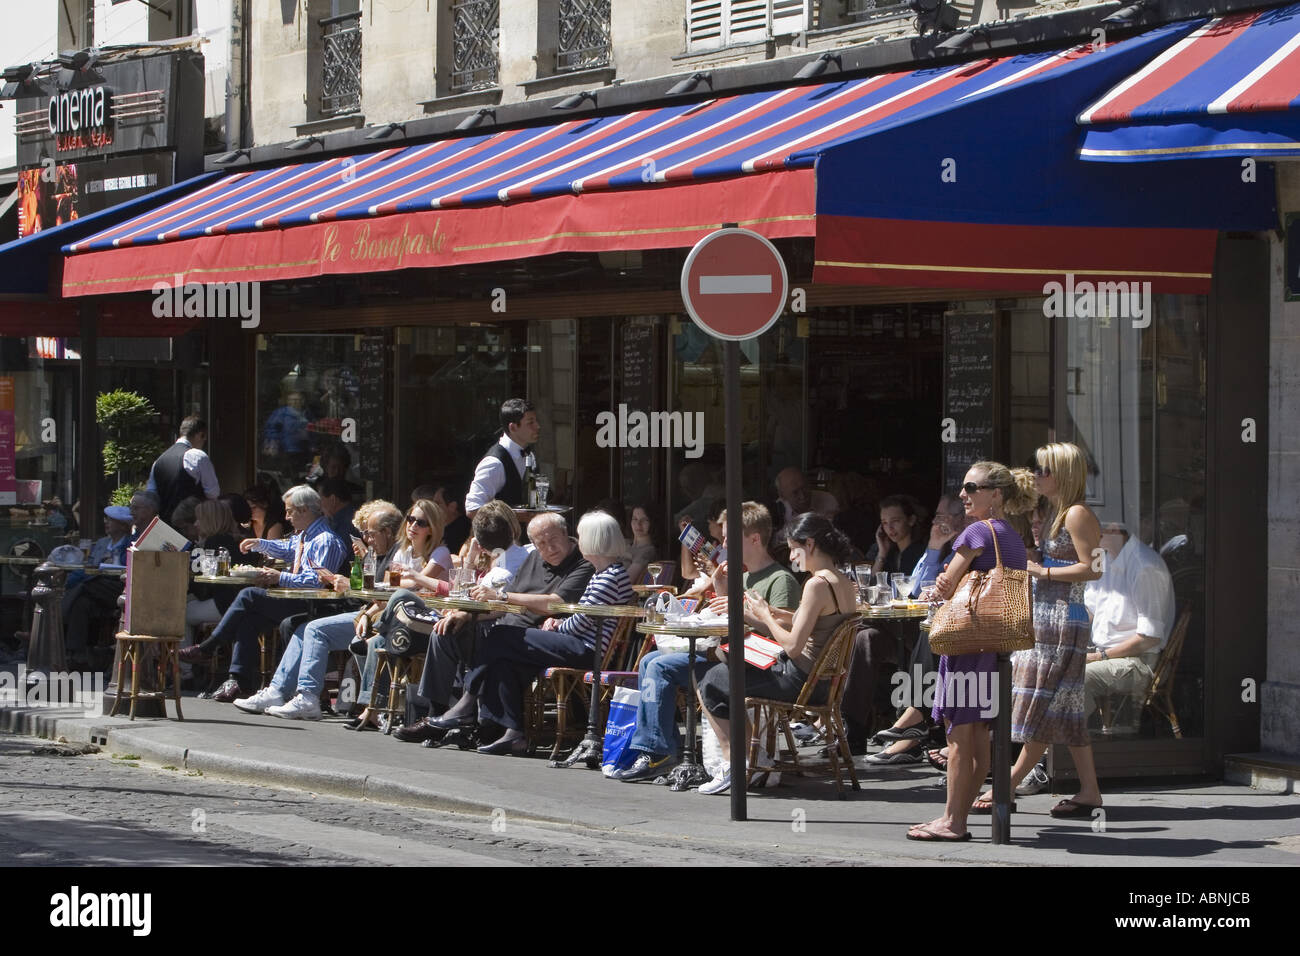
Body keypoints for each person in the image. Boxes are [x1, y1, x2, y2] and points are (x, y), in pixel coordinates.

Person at [613, 502, 799, 783]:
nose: (722, 543)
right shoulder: (742, 574)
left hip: (752, 663)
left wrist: (743, 612)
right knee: (650, 660)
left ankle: (658, 753)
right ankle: (664, 749)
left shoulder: (780, 580)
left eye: (728, 537)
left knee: (659, 667)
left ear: (754, 539)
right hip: (723, 651)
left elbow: (781, 633)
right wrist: (719, 585)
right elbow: (727, 617)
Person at [425, 511, 631, 755]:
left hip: (586, 649)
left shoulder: (610, 577)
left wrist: (557, 625)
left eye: (582, 536)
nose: (580, 541)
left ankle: (466, 703)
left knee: (500, 635)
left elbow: (582, 622)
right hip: (577, 642)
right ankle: (512, 733)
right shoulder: (604, 574)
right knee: (504, 662)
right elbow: (584, 616)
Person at [906, 460, 1036, 842]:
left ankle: (952, 821)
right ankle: (956, 818)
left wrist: (930, 592)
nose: (963, 493)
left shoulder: (978, 530)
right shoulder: (1009, 533)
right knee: (977, 738)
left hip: (967, 643)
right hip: (991, 646)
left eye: (971, 487)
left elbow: (946, 584)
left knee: (960, 739)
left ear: (996, 494)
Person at [973, 442, 1104, 818]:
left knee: (1041, 702)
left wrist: (1042, 570)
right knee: (1063, 705)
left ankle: (1007, 785)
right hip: (1049, 615)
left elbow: (1093, 569)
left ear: (1063, 474)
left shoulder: (1077, 514)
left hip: (1062, 618)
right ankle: (1089, 791)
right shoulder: (1055, 513)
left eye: (1045, 470)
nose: (1038, 476)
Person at [392, 511, 594, 743]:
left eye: (553, 539)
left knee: (497, 639)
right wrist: (467, 615)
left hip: (540, 637)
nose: (549, 548)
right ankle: (436, 715)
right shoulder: (533, 559)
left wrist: (502, 596)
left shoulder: (582, 563)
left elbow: (552, 603)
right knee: (445, 630)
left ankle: (463, 710)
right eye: (541, 543)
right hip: (506, 629)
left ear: (566, 533)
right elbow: (505, 604)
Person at [694, 513, 857, 795]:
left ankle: (735, 763)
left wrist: (766, 618)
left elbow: (793, 647)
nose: (792, 556)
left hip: (799, 681)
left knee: (710, 678)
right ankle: (750, 761)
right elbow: (808, 622)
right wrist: (765, 613)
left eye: (794, 548)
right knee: (729, 666)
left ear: (810, 544)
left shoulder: (816, 584)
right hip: (823, 683)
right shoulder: (841, 581)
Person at [349, 501, 517, 729]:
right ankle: (371, 709)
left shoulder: (441, 552)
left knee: (401, 598)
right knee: (376, 642)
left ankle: (433, 710)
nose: (412, 526)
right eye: (410, 519)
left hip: (435, 614)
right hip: (422, 616)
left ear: (432, 527)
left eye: (421, 522)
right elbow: (390, 583)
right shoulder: (404, 550)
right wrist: (369, 612)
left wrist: (416, 579)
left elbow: (439, 589)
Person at [233, 501, 403, 720]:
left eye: (370, 534)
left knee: (314, 629)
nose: (367, 539)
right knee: (303, 628)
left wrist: (351, 588)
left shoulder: (397, 555)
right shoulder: (378, 553)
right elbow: (373, 592)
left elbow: (386, 594)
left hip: (381, 619)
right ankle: (278, 691)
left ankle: (308, 697)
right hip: (368, 614)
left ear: (387, 532)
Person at [179, 485, 348, 701]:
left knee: (250, 595)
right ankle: (239, 681)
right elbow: (287, 549)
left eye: (290, 511)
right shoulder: (305, 535)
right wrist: (259, 544)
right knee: (249, 619)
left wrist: (280, 578)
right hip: (297, 598)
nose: (286, 517)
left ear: (304, 510)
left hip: (315, 603)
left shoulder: (324, 539)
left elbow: (317, 582)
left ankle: (209, 647)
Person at [848, 492, 966, 759]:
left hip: (942, 628)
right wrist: (934, 547)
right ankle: (852, 729)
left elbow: (913, 591)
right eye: (935, 516)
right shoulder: (925, 547)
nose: (936, 522)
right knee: (863, 637)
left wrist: (934, 549)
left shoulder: (965, 543)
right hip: (912, 626)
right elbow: (914, 586)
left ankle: (912, 725)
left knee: (927, 631)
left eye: (941, 516)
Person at [1082, 521, 1175, 730]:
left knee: (1077, 679)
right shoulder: (1102, 557)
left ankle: (1073, 747)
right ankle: (1053, 747)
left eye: (1091, 529)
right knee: (1049, 666)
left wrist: (1099, 657)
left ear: (1114, 530)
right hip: (1104, 654)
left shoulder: (1144, 566)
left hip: (1139, 662)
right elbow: (1089, 610)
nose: (1084, 534)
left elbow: (1149, 638)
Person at [62, 492, 159, 659]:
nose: (132, 512)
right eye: (131, 508)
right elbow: (89, 567)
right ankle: (76, 654)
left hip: (123, 587)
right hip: (104, 587)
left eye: (135, 508)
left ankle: (56, 621)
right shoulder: (108, 542)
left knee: (83, 587)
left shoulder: (146, 535)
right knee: (81, 602)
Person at [464, 398, 540, 516]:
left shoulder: (529, 455)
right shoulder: (494, 463)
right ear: (513, 428)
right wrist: (518, 517)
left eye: (536, 421)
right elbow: (473, 509)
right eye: (530, 423)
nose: (537, 426)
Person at [146, 416, 219, 525]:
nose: (204, 441)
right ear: (200, 435)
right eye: (204, 438)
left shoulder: (158, 461)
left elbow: (151, 495)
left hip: (165, 526)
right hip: (192, 526)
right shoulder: (198, 456)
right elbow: (213, 493)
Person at [868, 495, 926, 577]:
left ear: (911, 520)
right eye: (885, 523)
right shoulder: (891, 554)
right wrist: (882, 553)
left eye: (895, 521)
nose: (890, 528)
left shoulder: (921, 553)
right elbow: (873, 583)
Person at [771, 467, 839, 529]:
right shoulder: (775, 512)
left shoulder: (829, 500)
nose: (802, 496)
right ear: (782, 496)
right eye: (795, 492)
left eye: (805, 488)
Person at [626, 501, 661, 585]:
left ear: (652, 522)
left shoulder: (647, 551)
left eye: (644, 520)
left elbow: (626, 582)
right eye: (635, 519)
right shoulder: (624, 544)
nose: (638, 524)